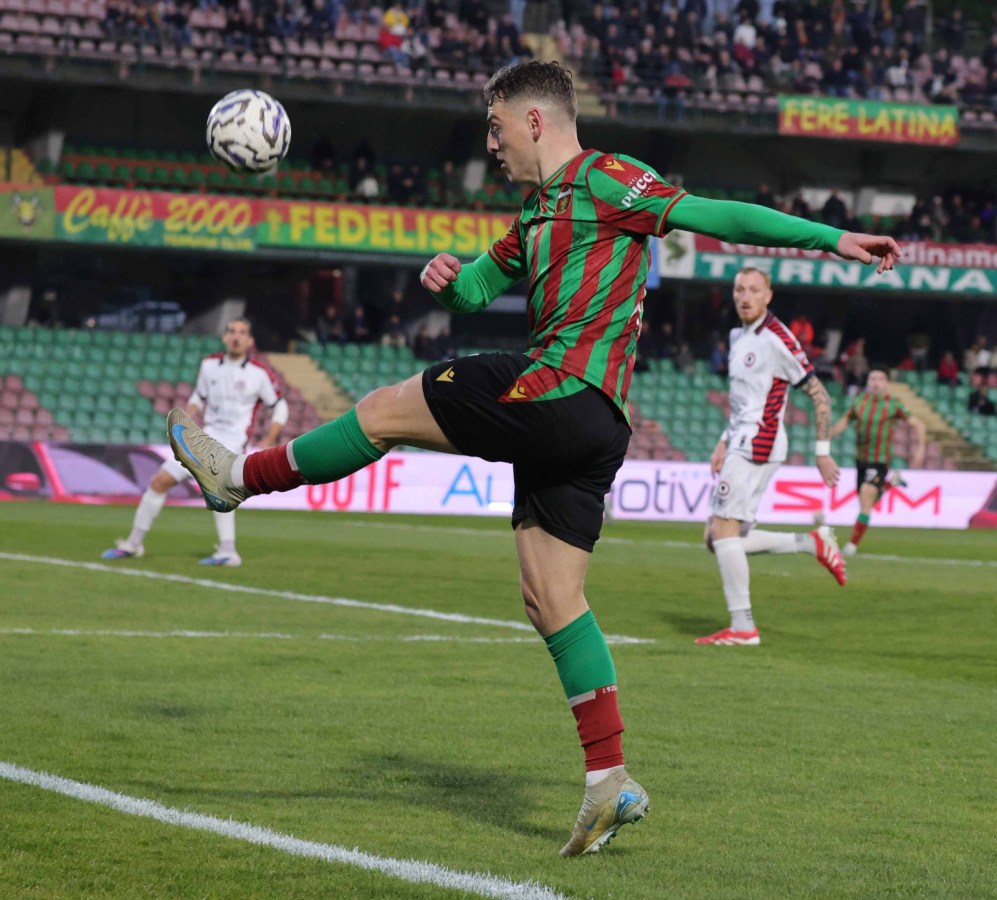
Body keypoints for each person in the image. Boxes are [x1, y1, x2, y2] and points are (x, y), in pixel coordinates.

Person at [164, 61, 900, 857]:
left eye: (495, 126)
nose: (491, 143)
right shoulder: (536, 208)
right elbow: (477, 290)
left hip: (562, 389)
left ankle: (237, 479)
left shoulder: (606, 179)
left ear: (535, 120)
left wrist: (832, 237)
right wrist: (447, 283)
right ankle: (608, 780)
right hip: (593, 426)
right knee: (550, 599)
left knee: (382, 412)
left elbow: (711, 213)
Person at [698, 267, 847, 648]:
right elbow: (743, 400)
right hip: (741, 439)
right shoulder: (738, 335)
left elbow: (820, 396)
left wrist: (822, 454)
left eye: (753, 290)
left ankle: (743, 627)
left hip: (759, 443)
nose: (745, 297)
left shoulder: (779, 339)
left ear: (769, 295)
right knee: (717, 538)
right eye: (739, 289)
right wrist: (722, 441)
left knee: (722, 533)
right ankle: (812, 543)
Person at [103, 318, 287, 567]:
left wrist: (269, 439)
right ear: (224, 337)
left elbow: (280, 406)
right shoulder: (209, 366)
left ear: (250, 340)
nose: (236, 337)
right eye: (231, 331)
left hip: (234, 440)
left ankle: (228, 551)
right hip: (205, 436)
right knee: (159, 482)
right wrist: (187, 416)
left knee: (219, 488)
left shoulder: (259, 374)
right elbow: (198, 397)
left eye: (242, 333)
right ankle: (134, 544)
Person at [830, 365, 926, 556]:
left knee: (866, 496)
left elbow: (918, 424)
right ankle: (891, 484)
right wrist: (827, 436)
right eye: (872, 379)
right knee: (866, 502)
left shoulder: (894, 404)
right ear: (867, 383)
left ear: (886, 384)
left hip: (880, 460)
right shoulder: (859, 402)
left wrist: (920, 448)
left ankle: (852, 545)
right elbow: (844, 421)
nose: (876, 383)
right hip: (861, 460)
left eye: (880, 379)